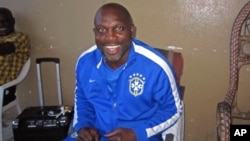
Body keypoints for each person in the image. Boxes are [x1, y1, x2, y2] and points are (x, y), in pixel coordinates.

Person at [70, 3, 183, 141]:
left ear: (131, 31)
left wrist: (138, 133)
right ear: (95, 32)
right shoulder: (85, 62)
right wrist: (84, 125)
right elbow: (82, 99)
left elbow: (173, 110)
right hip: (98, 136)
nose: (110, 37)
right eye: (102, 29)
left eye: (119, 28)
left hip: (140, 136)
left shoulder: (156, 66)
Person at [0, 7, 30, 106]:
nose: (2, 24)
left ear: (13, 21)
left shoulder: (19, 37)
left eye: (6, 20)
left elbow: (5, 48)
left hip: (5, 88)